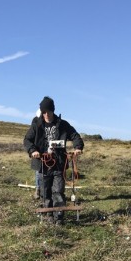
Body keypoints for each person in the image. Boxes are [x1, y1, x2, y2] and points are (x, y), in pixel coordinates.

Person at [24, 96, 83, 224]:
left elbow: (75, 135)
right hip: (43, 165)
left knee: (58, 190)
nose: (46, 114)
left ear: (53, 110)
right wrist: (33, 150)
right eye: (44, 112)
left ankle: (59, 216)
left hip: (59, 164)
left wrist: (78, 147)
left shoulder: (63, 124)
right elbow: (27, 140)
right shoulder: (36, 125)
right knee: (45, 191)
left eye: (49, 111)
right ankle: (49, 214)